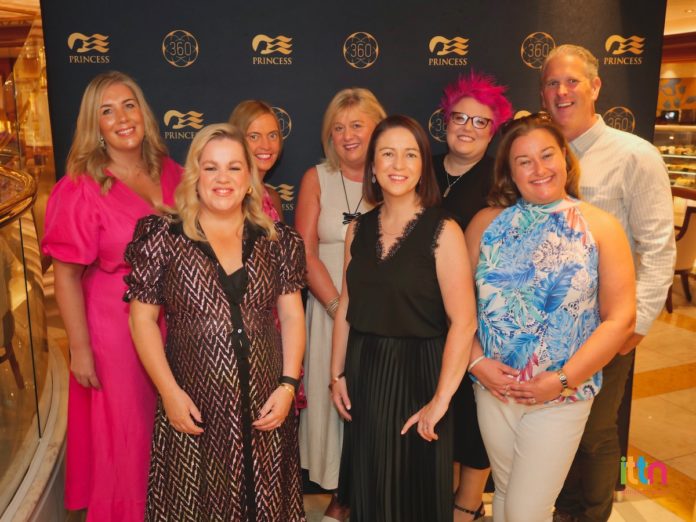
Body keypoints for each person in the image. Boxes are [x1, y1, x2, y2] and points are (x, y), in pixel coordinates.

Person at [126, 123, 307, 521]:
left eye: (234, 168)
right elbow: (142, 320)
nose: (222, 178)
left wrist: (288, 386)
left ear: (249, 178)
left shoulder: (277, 240)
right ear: (195, 175)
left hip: (265, 404)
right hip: (194, 405)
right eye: (211, 168)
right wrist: (169, 393)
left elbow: (292, 314)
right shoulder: (163, 237)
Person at [465, 113, 636, 522]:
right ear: (509, 172)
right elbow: (457, 308)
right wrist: (476, 362)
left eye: (546, 155)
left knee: (527, 511)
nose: (538, 169)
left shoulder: (601, 226)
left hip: (562, 396)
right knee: (506, 493)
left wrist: (561, 380)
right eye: (524, 161)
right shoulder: (486, 224)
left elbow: (621, 319)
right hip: (493, 390)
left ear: (565, 158)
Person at [539, 44, 676, 522]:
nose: (561, 92)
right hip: (549, 327)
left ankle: (590, 516)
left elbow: (658, 247)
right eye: (551, 83)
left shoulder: (635, 155)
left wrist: (636, 325)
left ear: (595, 86)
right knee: (555, 429)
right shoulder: (539, 154)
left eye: (572, 81)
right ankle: (561, 511)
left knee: (596, 434)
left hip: (606, 326)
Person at [41, 71, 181, 521]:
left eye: (129, 105)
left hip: (174, 322)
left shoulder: (171, 171)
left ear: (143, 112)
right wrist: (80, 348)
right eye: (107, 110)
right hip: (115, 330)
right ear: (95, 125)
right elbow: (65, 276)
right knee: (128, 434)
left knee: (168, 426)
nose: (122, 118)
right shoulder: (81, 186)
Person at [331, 115, 477, 522]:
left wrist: (440, 400)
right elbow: (347, 305)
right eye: (387, 154)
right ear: (373, 166)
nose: (398, 164)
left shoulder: (443, 230)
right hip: (364, 371)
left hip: (420, 376)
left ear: (422, 166)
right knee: (370, 488)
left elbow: (464, 322)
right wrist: (336, 373)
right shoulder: (357, 229)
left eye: (410, 154)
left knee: (412, 495)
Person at [296, 87, 385, 521]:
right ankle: (340, 494)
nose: (347, 136)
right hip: (328, 308)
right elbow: (305, 253)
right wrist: (337, 309)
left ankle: (367, 493)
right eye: (338, 127)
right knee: (333, 407)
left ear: (378, 128)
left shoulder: (393, 174)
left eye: (357, 125)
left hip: (382, 318)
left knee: (375, 405)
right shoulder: (317, 178)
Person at [435, 70, 513, 521]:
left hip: (478, 314)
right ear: (445, 120)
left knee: (472, 413)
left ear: (493, 129)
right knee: (441, 408)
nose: (467, 127)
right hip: (424, 310)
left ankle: (467, 504)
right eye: (459, 117)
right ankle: (438, 495)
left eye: (480, 121)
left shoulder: (501, 180)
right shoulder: (421, 166)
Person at [229, 99, 285, 222]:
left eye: (272, 135)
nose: (266, 145)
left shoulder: (272, 198)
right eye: (254, 136)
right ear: (236, 140)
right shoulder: (226, 195)